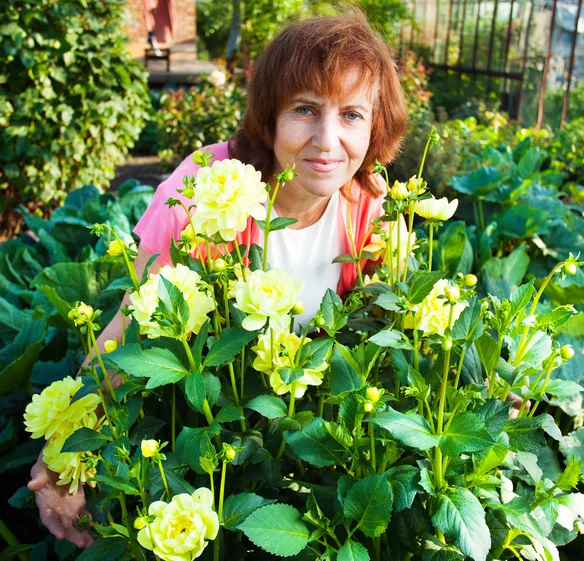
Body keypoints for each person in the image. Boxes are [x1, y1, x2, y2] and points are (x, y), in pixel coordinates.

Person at [28, 11, 408, 547]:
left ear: (375, 128)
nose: (328, 140)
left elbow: (392, 337)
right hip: (203, 451)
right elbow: (128, 329)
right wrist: (64, 455)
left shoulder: (367, 208)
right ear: (270, 115)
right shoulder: (204, 190)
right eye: (305, 109)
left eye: (351, 115)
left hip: (302, 446)